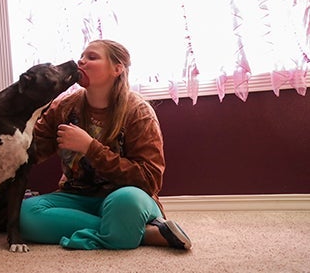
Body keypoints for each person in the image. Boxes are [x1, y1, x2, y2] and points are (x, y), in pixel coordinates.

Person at [20, 39, 192, 250]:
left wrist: (90, 147)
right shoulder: (64, 106)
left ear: (117, 69)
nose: (81, 62)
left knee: (126, 201)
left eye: (92, 57)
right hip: (77, 198)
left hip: (125, 199)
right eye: (82, 56)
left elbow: (149, 180)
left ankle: (123, 226)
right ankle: (144, 233)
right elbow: (32, 151)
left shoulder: (138, 112)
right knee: (25, 214)